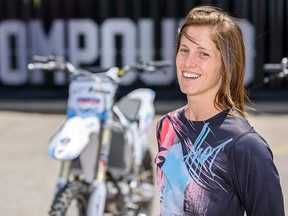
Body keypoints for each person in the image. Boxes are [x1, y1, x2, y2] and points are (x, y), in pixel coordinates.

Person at [155, 5, 285, 216]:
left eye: (203, 54)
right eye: (184, 50)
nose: (188, 62)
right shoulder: (167, 125)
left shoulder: (245, 146)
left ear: (226, 65)